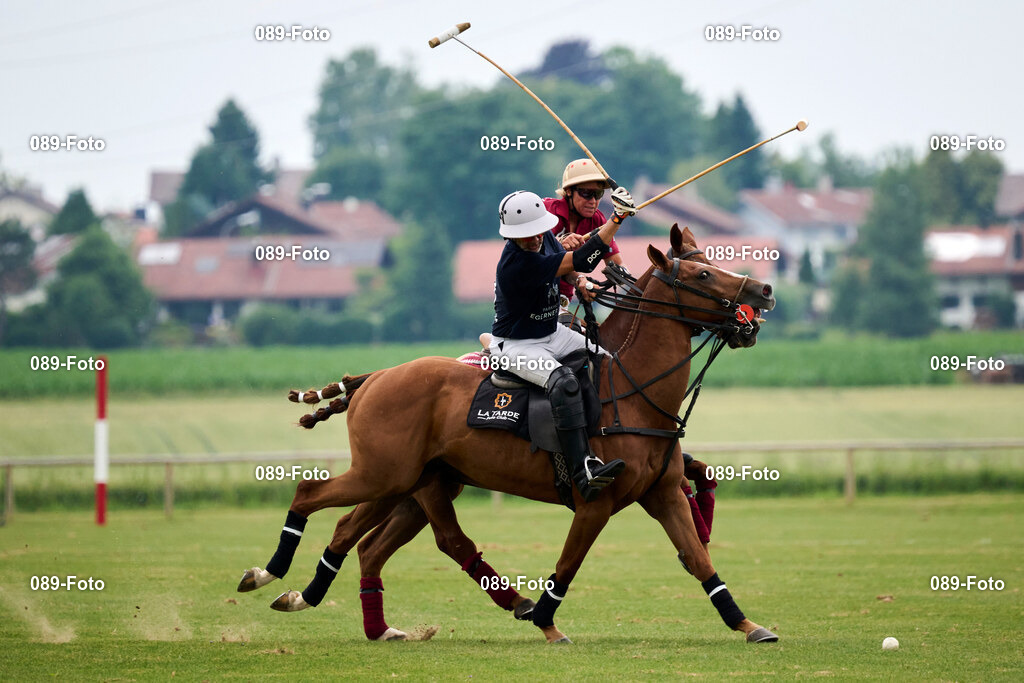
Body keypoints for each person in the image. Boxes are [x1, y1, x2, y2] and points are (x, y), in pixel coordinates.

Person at [489, 186, 637, 502]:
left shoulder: (544, 239)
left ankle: (615, 442)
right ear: (511, 237)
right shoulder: (516, 263)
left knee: (607, 364)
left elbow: (569, 270)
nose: (535, 239)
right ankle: (582, 468)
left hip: (552, 333)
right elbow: (580, 261)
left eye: (539, 231)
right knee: (564, 383)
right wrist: (617, 218)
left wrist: (579, 283)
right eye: (527, 235)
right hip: (517, 346)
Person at [545, 159, 626, 325]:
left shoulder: (599, 221)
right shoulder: (545, 211)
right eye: (587, 194)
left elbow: (616, 265)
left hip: (560, 301)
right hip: (528, 294)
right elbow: (531, 257)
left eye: (598, 195)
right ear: (568, 191)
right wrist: (559, 243)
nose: (593, 201)